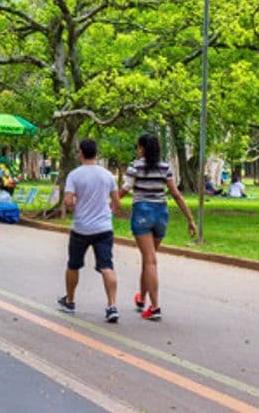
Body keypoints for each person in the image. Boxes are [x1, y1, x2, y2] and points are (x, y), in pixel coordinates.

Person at [120, 132, 196, 322]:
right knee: (149, 259)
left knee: (150, 260)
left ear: (142, 148)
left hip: (142, 213)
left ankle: (155, 307)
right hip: (161, 214)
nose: (137, 151)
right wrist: (190, 219)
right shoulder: (165, 168)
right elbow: (176, 194)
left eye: (138, 147)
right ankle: (142, 298)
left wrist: (109, 203)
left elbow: (125, 189)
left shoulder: (135, 167)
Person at [57, 138, 121, 323]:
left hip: (81, 228)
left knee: (73, 265)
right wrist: (109, 214)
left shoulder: (74, 175)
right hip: (103, 228)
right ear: (97, 153)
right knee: (107, 266)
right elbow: (116, 202)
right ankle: (112, 306)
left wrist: (74, 202)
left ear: (80, 153)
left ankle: (70, 301)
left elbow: (68, 201)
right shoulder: (107, 175)